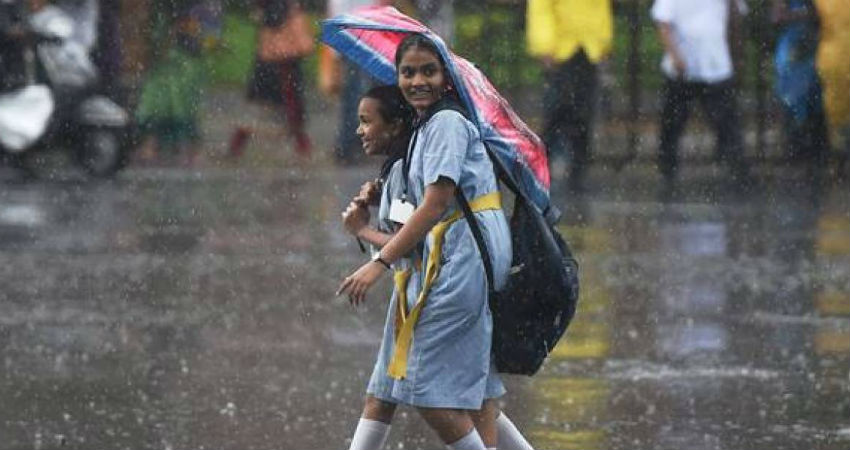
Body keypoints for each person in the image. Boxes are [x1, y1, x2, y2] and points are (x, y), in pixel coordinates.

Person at [337, 33, 531, 450]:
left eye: (428, 70)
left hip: (460, 263)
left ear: (446, 76)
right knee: (469, 393)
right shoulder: (428, 129)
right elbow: (417, 219)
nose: (417, 80)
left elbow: (435, 203)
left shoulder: (445, 122)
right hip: (453, 261)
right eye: (408, 72)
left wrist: (376, 260)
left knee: (426, 387)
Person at [651, 0, 751, 186]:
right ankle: (668, 171)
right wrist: (675, 55)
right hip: (683, 66)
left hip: (716, 63)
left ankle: (736, 169)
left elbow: (737, 14)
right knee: (673, 122)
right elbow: (662, 22)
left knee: (727, 122)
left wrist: (737, 53)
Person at [525, 0, 613, 191]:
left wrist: (603, 41)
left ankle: (578, 173)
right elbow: (541, 8)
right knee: (556, 112)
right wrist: (544, 45)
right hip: (561, 50)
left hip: (588, 50)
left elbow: (600, 8)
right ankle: (543, 169)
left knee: (584, 114)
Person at [239, 0, 312, 157]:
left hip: (270, 63)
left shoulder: (273, 9)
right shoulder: (286, 9)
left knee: (258, 109)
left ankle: (236, 147)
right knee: (290, 110)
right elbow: (303, 43)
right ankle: (304, 149)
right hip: (283, 65)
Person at [771, 0, 829, 164]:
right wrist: (809, 13)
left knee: (817, 104)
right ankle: (796, 152)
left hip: (817, 51)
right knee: (793, 103)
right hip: (794, 52)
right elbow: (777, 16)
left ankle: (818, 156)